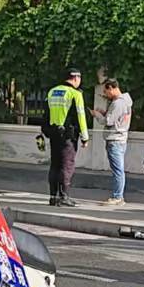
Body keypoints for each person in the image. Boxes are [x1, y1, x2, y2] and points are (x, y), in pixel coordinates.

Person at [43, 67, 90, 206]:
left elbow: (45, 114)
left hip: (53, 134)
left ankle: (53, 196)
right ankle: (64, 197)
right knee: (66, 166)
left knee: (55, 165)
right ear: (76, 78)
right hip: (68, 136)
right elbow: (80, 116)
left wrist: (46, 130)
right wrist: (85, 137)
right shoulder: (75, 94)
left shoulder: (52, 92)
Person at [94, 78, 132, 205]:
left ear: (111, 88)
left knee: (117, 170)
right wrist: (104, 112)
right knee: (118, 169)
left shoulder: (117, 103)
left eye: (106, 91)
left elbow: (109, 121)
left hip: (115, 139)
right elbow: (117, 118)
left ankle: (117, 197)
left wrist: (97, 115)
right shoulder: (126, 101)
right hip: (121, 138)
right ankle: (118, 196)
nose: (106, 94)